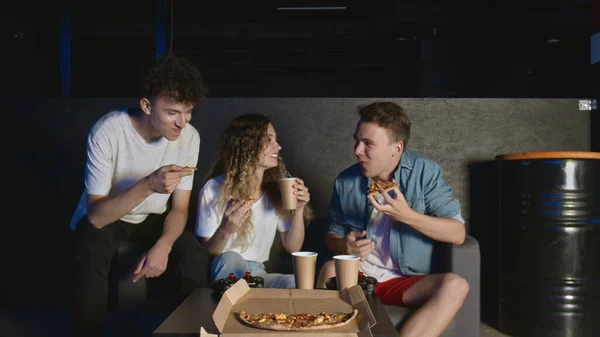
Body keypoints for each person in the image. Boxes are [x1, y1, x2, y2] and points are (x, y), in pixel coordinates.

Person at [69, 53, 210, 337]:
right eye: (172, 113)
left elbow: (179, 209)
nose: (182, 123)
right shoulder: (108, 131)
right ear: (146, 105)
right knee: (92, 250)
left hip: (153, 217)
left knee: (193, 255)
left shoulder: (190, 136)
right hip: (109, 215)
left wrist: (165, 244)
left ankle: (189, 332)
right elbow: (96, 216)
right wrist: (148, 185)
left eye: (189, 111)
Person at [317, 101, 470, 337]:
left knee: (456, 286)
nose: (357, 150)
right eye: (357, 140)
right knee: (329, 269)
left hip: (406, 279)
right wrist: (344, 245)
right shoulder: (345, 181)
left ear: (396, 148)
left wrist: (406, 215)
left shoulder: (425, 173)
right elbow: (331, 236)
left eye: (368, 144)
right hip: (357, 276)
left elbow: (457, 233)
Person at [194, 113, 314, 288]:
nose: (278, 146)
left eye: (276, 140)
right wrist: (226, 229)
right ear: (247, 145)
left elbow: (293, 247)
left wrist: (300, 209)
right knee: (230, 258)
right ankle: (235, 309)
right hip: (226, 268)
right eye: (268, 140)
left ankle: (257, 310)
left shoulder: (275, 191)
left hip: (257, 274)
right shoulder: (213, 188)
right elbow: (209, 252)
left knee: (293, 283)